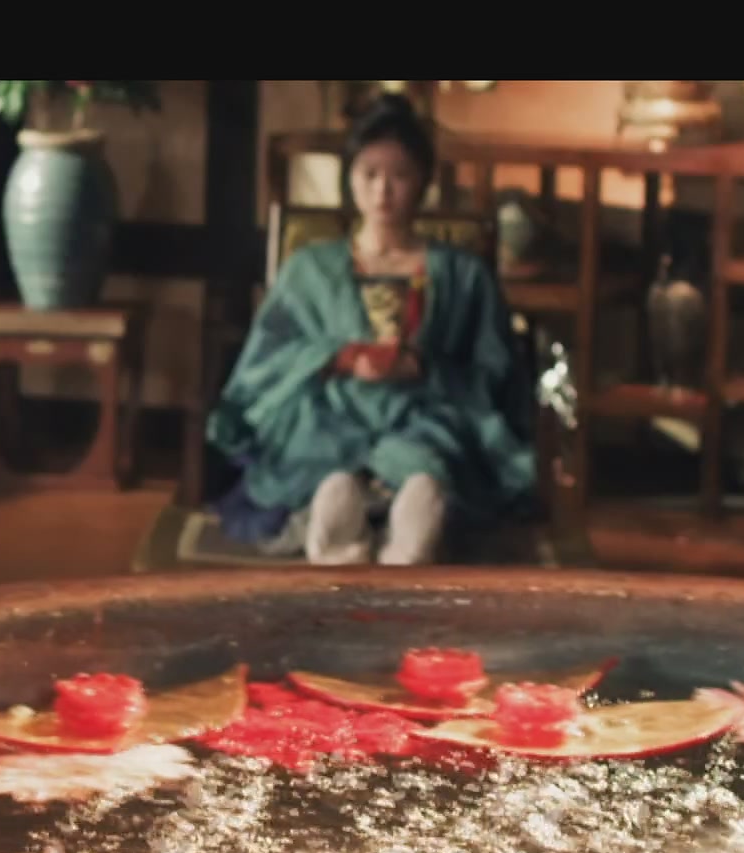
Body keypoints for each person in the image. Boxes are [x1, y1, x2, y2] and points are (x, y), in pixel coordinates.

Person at [206, 94, 534, 566]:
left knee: (428, 471)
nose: (383, 191)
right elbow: (266, 359)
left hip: (427, 411)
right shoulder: (309, 269)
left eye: (399, 175)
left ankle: (412, 528)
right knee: (324, 469)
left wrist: (423, 366)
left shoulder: (462, 274)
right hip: (329, 410)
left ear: (423, 181)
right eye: (369, 174)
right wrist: (337, 358)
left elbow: (495, 369)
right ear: (350, 178)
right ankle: (339, 518)